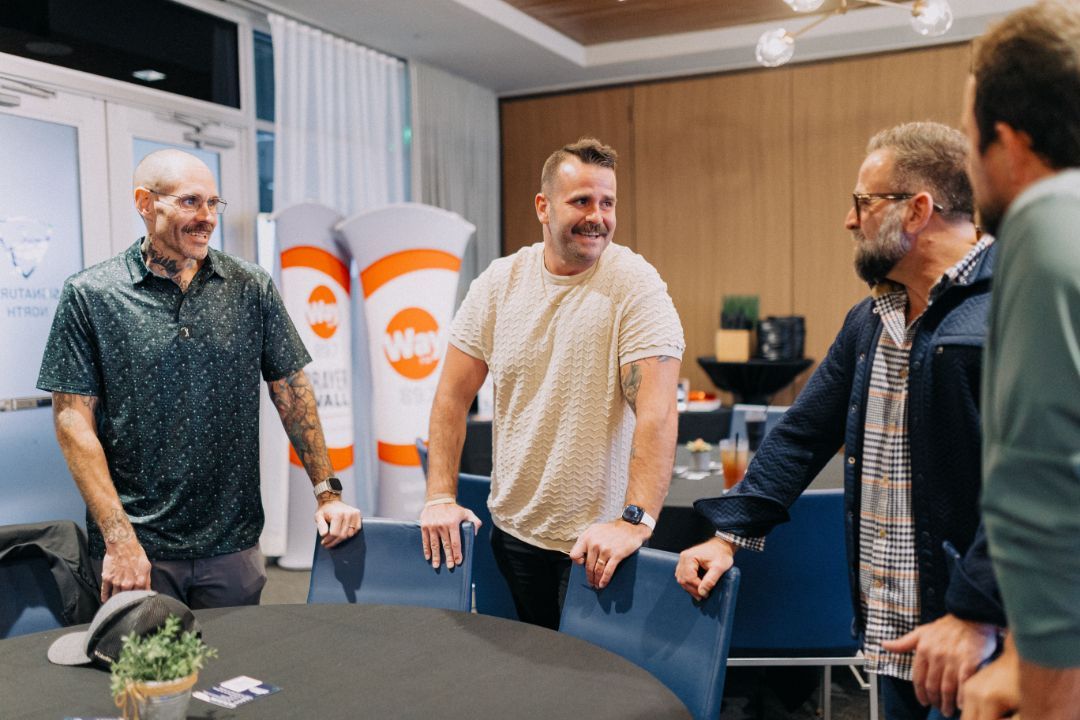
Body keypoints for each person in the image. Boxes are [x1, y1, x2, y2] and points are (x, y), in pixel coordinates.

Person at [674, 122, 1005, 719]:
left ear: (917, 210)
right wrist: (726, 538)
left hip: (981, 643)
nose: (850, 221)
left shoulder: (1011, 307)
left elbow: (1043, 483)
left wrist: (978, 612)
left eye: (863, 202)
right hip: (894, 637)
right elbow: (801, 436)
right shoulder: (871, 319)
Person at [37, 149, 361, 609]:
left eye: (213, 203)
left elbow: (291, 390)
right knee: (148, 679)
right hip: (140, 549)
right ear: (145, 203)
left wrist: (327, 492)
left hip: (233, 544)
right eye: (190, 202)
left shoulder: (250, 286)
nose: (206, 217)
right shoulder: (91, 295)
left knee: (236, 677)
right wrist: (119, 538)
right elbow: (73, 421)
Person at [419, 138, 684, 629]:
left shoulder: (635, 284)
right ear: (543, 206)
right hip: (513, 532)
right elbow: (452, 397)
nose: (597, 216)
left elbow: (658, 410)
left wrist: (635, 520)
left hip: (597, 548)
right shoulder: (499, 283)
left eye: (608, 203)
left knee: (595, 692)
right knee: (530, 682)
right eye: (581, 200)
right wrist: (439, 495)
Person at [959, 2, 1080, 717]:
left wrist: (1039, 683)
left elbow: (1045, 484)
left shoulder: (1044, 218)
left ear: (1007, 141)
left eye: (971, 139)